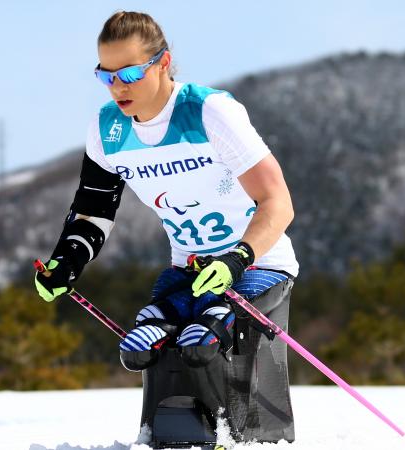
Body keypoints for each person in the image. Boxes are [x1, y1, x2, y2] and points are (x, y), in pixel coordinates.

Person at [34, 10, 299, 444]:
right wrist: (66, 261)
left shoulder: (209, 112)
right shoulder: (108, 129)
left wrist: (239, 258)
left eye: (131, 73)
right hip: (188, 272)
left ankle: (241, 435)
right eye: (106, 75)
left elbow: (277, 201)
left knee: (206, 340)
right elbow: (94, 210)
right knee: (140, 346)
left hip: (257, 266)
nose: (118, 87)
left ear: (161, 63)